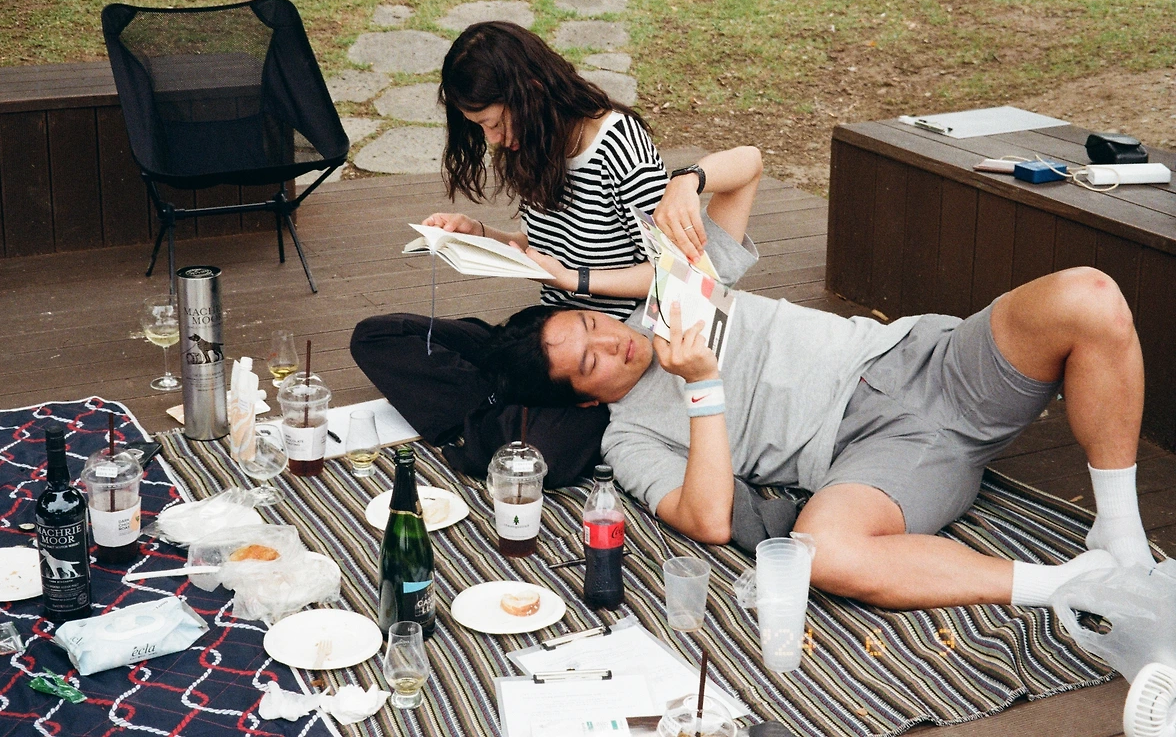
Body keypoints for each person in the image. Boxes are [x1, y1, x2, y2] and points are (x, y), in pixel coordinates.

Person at [483, 199, 1154, 610]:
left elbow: (747, 169)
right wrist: (702, 384)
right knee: (822, 554)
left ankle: (1119, 534)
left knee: (1088, 295)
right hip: (878, 455)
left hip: (921, 358)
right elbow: (707, 519)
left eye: (593, 325)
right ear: (581, 399)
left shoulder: (667, 297)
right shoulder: (627, 435)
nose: (612, 342)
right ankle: (1070, 584)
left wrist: (688, 182)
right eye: (590, 361)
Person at [351, 20, 763, 485]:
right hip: (543, 336)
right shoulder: (536, 143)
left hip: (610, 355)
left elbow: (676, 274)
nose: (492, 139)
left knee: (544, 455)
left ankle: (494, 411)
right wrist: (479, 235)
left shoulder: (619, 146)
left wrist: (575, 281)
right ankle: (501, 408)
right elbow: (546, 249)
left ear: (529, 91)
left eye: (493, 123)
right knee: (377, 337)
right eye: (481, 127)